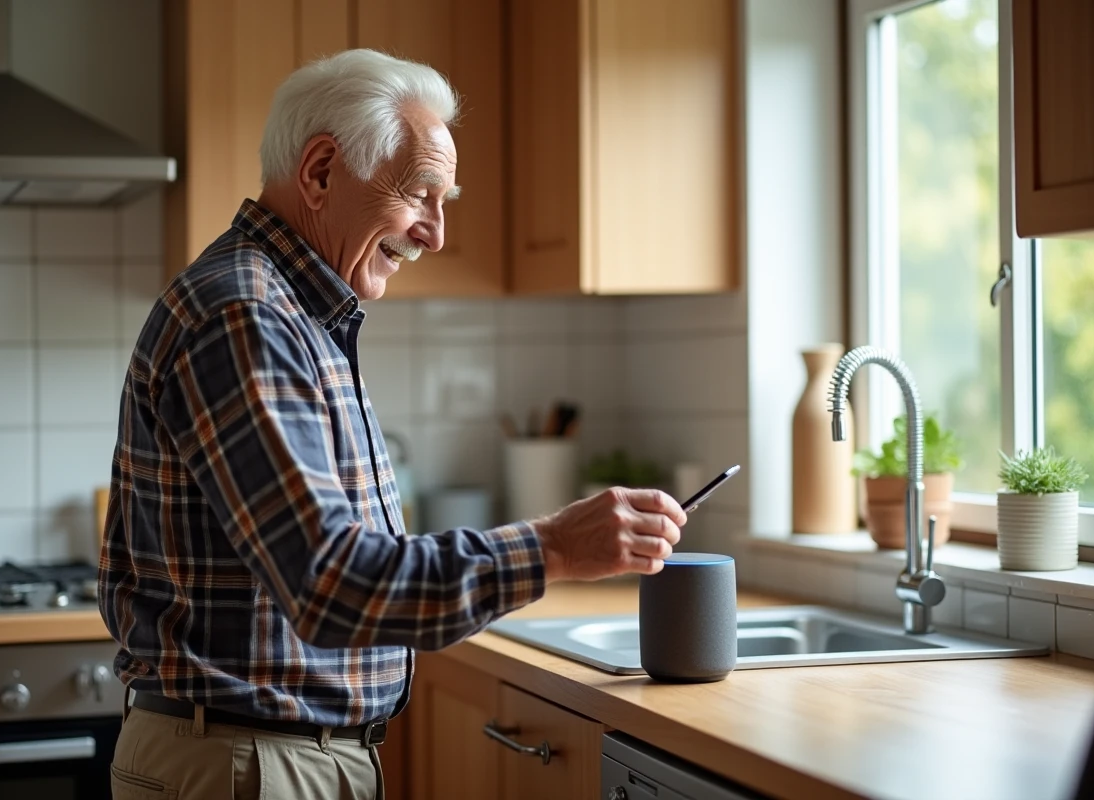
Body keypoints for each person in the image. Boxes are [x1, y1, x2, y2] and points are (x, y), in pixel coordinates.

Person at [98, 48, 686, 800]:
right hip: (246, 765)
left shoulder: (297, 312)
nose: (436, 233)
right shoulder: (246, 316)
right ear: (319, 173)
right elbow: (331, 581)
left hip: (268, 757)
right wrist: (555, 546)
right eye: (421, 195)